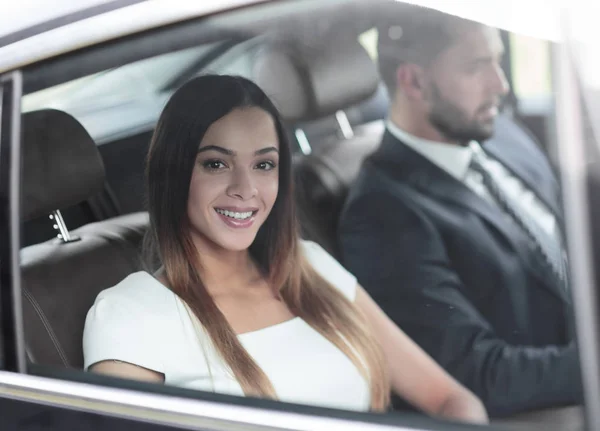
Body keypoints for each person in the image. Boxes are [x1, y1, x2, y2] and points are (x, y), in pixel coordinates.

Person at [82, 74, 487, 423]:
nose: (245, 189)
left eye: (264, 165)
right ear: (173, 172)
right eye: (216, 164)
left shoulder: (311, 268)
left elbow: (449, 398)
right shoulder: (131, 315)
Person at [339, 6, 582, 417]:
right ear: (413, 81)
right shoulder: (383, 215)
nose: (501, 85)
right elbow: (476, 374)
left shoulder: (497, 132)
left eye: (499, 61)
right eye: (476, 67)